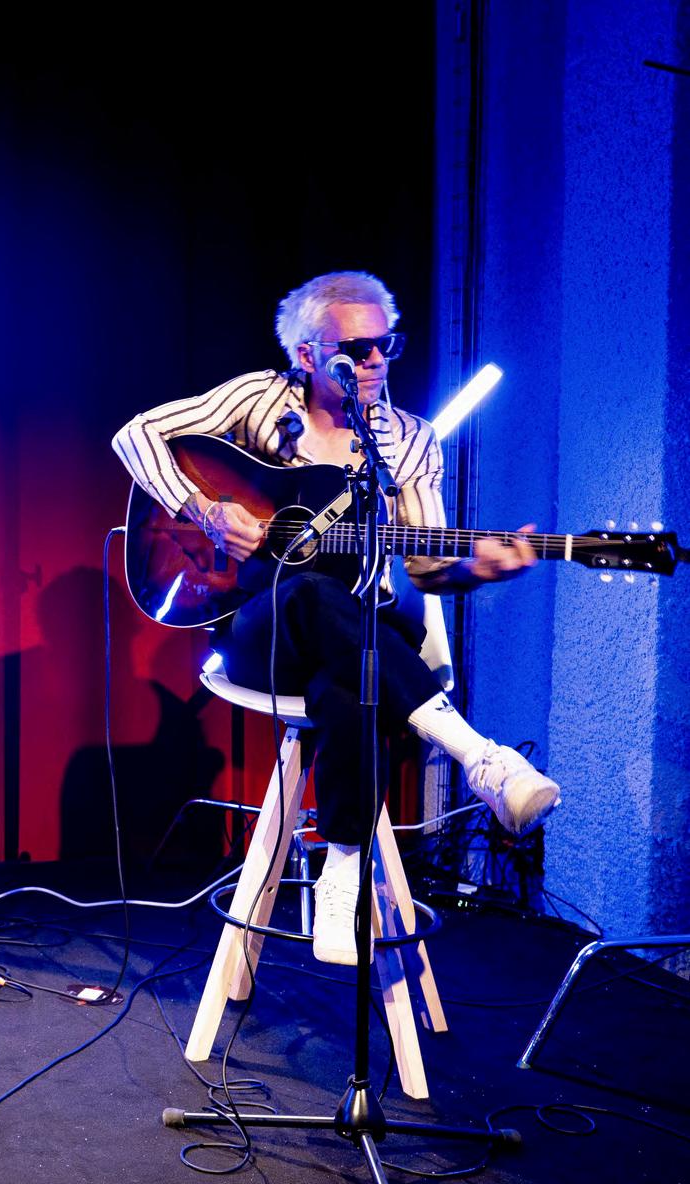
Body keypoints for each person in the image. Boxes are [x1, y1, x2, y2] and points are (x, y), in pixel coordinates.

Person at [113, 270, 559, 964]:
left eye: (386, 345)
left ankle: (343, 870)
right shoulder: (261, 400)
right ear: (307, 354)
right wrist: (206, 509)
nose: (376, 361)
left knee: (352, 678)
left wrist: (479, 569)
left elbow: (426, 565)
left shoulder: (408, 442)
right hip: (258, 630)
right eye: (357, 350)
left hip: (353, 640)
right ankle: (479, 756)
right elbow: (135, 436)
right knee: (311, 596)